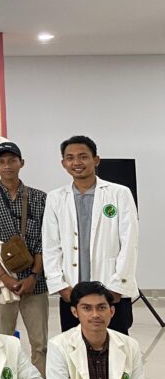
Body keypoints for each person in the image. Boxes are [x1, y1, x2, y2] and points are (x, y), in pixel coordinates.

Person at [43, 135, 139, 334]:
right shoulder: (55, 198)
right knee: (74, 344)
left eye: (83, 156)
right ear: (63, 163)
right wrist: (60, 286)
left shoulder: (119, 193)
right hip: (72, 290)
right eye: (70, 158)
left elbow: (129, 242)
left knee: (115, 344)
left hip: (111, 289)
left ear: (96, 160)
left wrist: (117, 286)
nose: (77, 162)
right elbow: (51, 245)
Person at [0, 142, 49, 374]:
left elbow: (46, 240)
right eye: (1, 161)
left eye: (12, 160)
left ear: (21, 163)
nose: (7, 166)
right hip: (2, 282)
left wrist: (34, 276)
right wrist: (6, 279)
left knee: (40, 344)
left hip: (35, 281)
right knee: (2, 342)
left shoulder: (39, 197)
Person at [46, 281, 149, 379]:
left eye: (101, 308)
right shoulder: (58, 345)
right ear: (75, 312)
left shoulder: (130, 346)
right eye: (87, 308)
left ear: (111, 311)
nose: (95, 314)